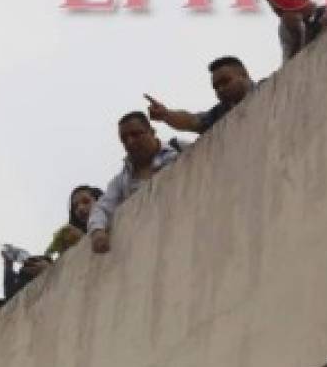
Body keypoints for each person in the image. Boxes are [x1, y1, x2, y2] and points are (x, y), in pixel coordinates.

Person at [89, 111, 190, 254]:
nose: (130, 142)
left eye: (136, 134)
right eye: (124, 139)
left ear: (152, 131)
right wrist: (98, 232)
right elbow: (101, 208)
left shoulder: (179, 148)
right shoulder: (122, 180)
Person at [145, 56, 257, 135]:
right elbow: (193, 121)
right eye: (216, 87)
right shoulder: (219, 114)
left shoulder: (269, 91)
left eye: (225, 81)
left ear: (244, 74)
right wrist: (166, 115)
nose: (220, 89)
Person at [47, 185, 104, 256]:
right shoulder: (71, 236)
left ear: (99, 201)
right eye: (75, 207)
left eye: (86, 201)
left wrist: (82, 239)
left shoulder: (115, 222)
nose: (80, 208)